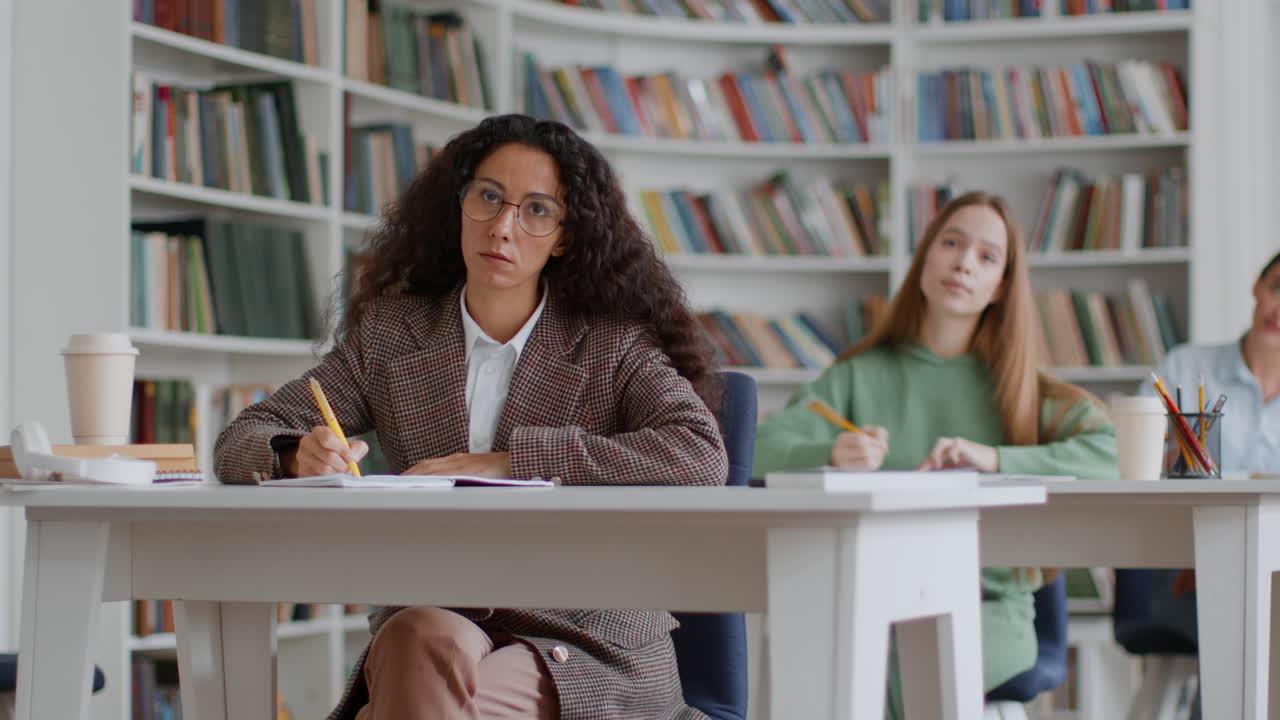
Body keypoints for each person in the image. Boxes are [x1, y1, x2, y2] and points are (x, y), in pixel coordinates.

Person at [213, 114, 729, 720]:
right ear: (458, 205)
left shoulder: (610, 343)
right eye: (488, 197)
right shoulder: (392, 334)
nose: (503, 228)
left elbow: (700, 453)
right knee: (414, 635)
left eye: (536, 209)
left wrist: (514, 462)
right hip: (439, 618)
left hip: (587, 643)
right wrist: (295, 451)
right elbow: (238, 441)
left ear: (564, 235)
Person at [751, 191, 1118, 719]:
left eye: (987, 256)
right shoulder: (858, 375)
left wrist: (995, 460)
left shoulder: (1019, 391)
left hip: (987, 611)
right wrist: (830, 450)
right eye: (951, 243)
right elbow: (755, 448)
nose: (964, 262)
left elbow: (1112, 455)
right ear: (924, 257)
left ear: (1001, 287)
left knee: (903, 661)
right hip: (869, 605)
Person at [1130, 251, 1280, 719]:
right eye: (1278, 288)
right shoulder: (1186, 366)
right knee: (1240, 620)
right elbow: (1136, 464)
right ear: (1256, 287)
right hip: (1182, 567)